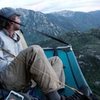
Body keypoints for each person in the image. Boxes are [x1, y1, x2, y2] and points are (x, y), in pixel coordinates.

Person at [0, 7, 91, 100]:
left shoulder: (17, 35)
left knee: (56, 60)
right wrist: (21, 65)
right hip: (8, 78)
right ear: (11, 21)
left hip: (22, 74)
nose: (20, 19)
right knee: (35, 50)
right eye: (18, 17)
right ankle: (57, 98)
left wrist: (27, 67)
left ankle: (54, 91)